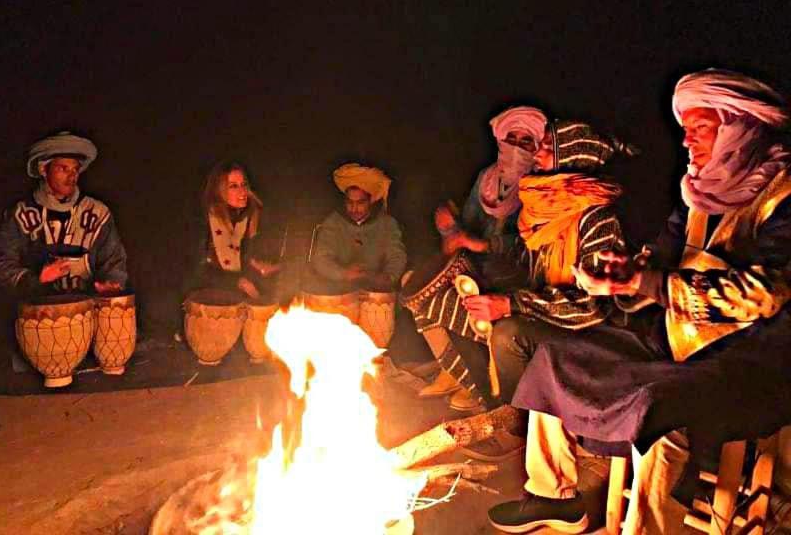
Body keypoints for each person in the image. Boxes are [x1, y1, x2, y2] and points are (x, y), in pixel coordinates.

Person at [487, 69, 791, 535]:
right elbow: (661, 256)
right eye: (684, 130)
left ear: (740, 128)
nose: (687, 142)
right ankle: (554, 497)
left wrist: (647, 283)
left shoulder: (783, 198)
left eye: (700, 129)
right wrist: (620, 273)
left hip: (750, 359)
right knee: (556, 358)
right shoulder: (699, 193)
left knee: (660, 405)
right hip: (671, 342)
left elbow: (766, 295)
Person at [416, 106, 546, 410]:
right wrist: (450, 228)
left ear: (536, 148)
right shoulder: (486, 179)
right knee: (418, 289)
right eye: (511, 138)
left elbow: (528, 245)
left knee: (479, 316)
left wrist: (477, 244)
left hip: (515, 277)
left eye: (525, 141)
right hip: (476, 268)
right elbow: (467, 228)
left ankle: (487, 393)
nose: (516, 147)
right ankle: (456, 373)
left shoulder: (541, 187)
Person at [0, 131, 128, 297]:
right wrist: (35, 279)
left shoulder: (98, 213)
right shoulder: (21, 214)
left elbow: (114, 261)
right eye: (63, 168)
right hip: (37, 315)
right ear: (43, 169)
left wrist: (111, 284)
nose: (72, 176)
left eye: (75, 169)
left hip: (87, 313)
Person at [185, 161, 278, 300]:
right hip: (210, 297)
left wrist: (262, 268)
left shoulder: (252, 217)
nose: (242, 191)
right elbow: (197, 270)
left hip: (242, 299)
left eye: (243, 185)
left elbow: (250, 261)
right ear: (219, 190)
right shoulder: (203, 220)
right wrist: (236, 282)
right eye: (233, 186)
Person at [309, 163, 407, 292]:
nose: (354, 209)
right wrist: (344, 273)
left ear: (370, 201)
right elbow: (321, 259)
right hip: (338, 292)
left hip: (376, 293)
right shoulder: (333, 223)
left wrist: (387, 277)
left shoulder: (387, 225)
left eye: (360, 203)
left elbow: (397, 256)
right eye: (350, 202)